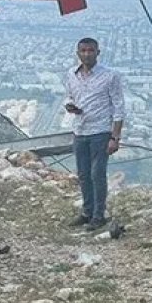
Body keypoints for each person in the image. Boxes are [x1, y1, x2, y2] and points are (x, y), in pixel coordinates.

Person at [63, 38, 126, 230]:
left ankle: (99, 215)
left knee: (97, 174)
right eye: (83, 50)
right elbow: (69, 95)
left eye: (91, 50)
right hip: (80, 130)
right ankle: (87, 212)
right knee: (83, 175)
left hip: (100, 131)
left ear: (98, 52)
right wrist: (69, 105)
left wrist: (115, 137)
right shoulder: (71, 74)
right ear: (78, 53)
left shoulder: (110, 76)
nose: (87, 54)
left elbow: (119, 107)